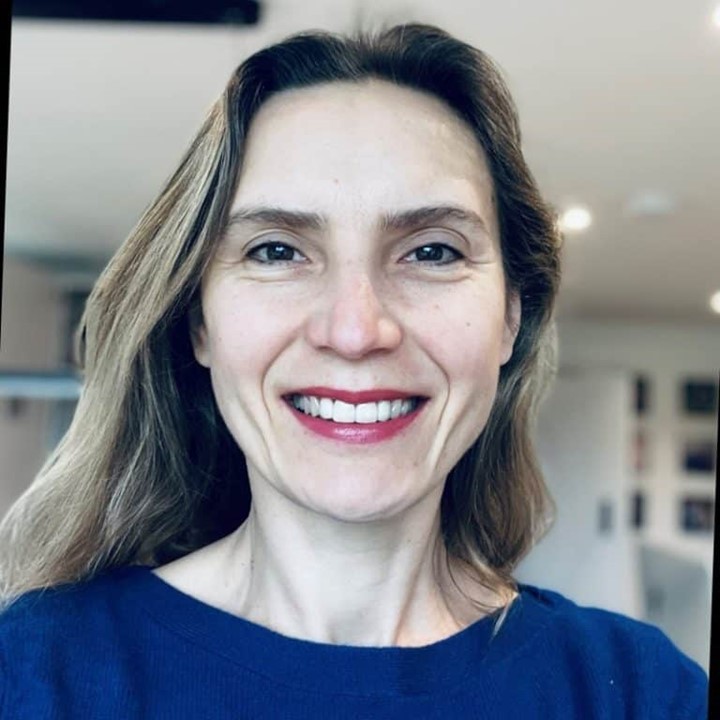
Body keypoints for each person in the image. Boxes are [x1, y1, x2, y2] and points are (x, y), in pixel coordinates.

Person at [0, 23, 708, 719]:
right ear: (199, 321)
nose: (356, 330)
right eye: (277, 251)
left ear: (510, 319)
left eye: (432, 251)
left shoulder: (642, 694)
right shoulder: (34, 672)